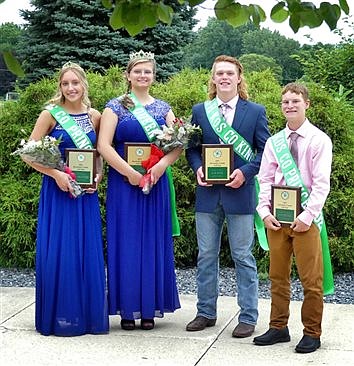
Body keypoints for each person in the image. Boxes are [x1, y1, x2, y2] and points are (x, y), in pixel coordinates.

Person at [185, 55, 270, 337]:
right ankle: (206, 312)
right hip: (208, 195)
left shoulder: (255, 111)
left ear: (238, 78)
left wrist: (245, 173)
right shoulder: (200, 111)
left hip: (240, 194)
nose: (224, 77)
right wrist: (198, 168)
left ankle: (247, 316)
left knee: (243, 256)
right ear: (213, 78)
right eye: (219, 73)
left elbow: (264, 152)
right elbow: (192, 148)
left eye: (229, 73)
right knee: (206, 255)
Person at [97, 50, 181, 331]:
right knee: (126, 242)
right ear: (128, 75)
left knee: (152, 243)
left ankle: (149, 308)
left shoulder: (163, 108)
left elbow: (178, 145)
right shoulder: (115, 107)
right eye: (138, 71)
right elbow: (104, 146)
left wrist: (160, 168)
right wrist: (130, 173)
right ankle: (126, 308)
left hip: (154, 185)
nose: (143, 76)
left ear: (154, 76)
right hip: (124, 185)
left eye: (148, 72)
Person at [25, 62, 108, 336]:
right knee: (61, 251)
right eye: (65, 83)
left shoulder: (94, 115)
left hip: (84, 195)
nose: (70, 88)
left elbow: (98, 156)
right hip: (58, 193)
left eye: (75, 82)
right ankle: (59, 316)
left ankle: (85, 316)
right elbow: (27, 154)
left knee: (85, 251)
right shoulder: (50, 115)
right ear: (60, 86)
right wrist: (55, 175)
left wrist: (97, 176)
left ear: (84, 84)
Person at [253, 83, 332, 353]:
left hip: (306, 219)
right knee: (277, 276)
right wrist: (263, 211)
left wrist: (308, 215)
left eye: (295, 101)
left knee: (311, 280)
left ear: (306, 104)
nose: (289, 106)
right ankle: (278, 327)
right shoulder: (275, 142)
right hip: (277, 217)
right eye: (285, 102)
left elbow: (322, 184)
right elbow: (264, 178)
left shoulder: (319, 139)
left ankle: (312, 332)